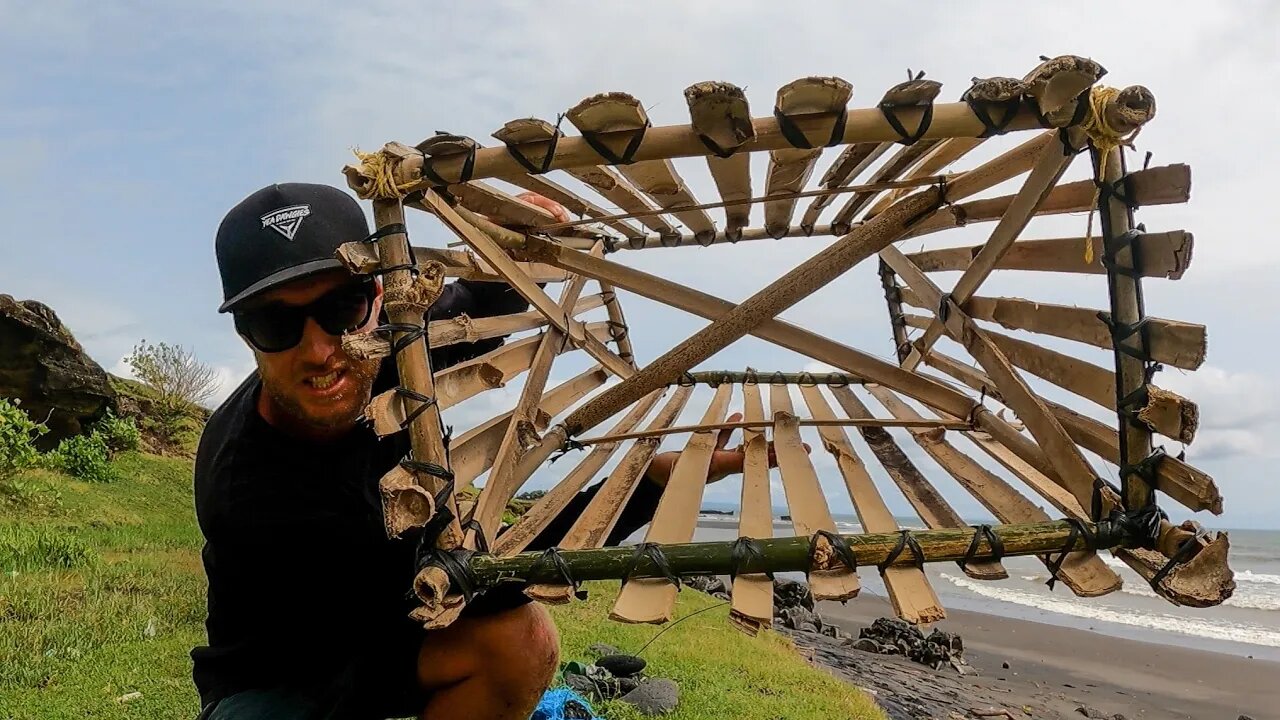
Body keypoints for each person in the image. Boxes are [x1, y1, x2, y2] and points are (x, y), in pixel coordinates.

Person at [193, 183, 773, 720]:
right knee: (505, 630)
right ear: (245, 334)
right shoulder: (248, 490)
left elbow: (484, 296)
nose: (321, 350)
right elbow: (466, 584)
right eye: (275, 323)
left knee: (519, 642)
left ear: (376, 296)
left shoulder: (401, 356)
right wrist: (647, 487)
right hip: (276, 681)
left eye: (341, 307)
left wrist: (507, 236)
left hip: (381, 630)